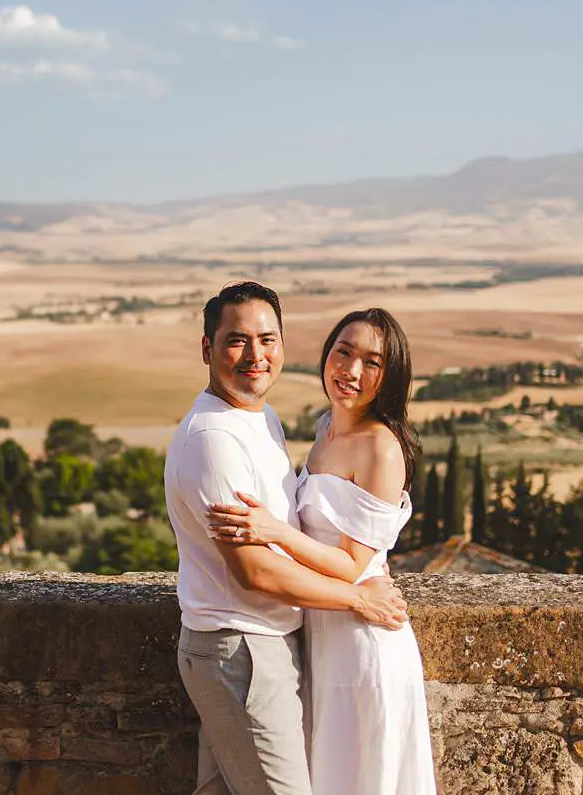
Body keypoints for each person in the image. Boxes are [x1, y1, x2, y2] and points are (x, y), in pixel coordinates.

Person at [165, 283, 410, 795]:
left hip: (270, 646)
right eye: (236, 341)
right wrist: (358, 598)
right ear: (207, 348)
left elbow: (291, 537)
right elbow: (255, 570)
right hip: (242, 649)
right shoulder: (215, 441)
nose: (256, 355)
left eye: (267, 339)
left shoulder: (261, 419)